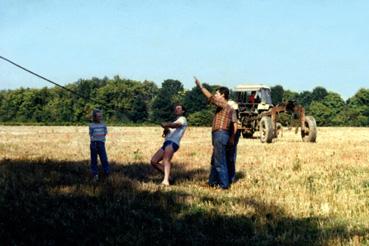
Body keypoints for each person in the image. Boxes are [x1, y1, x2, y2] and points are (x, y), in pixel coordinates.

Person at [194, 77, 237, 189]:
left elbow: (209, 97)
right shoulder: (231, 108)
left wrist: (201, 87)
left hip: (220, 134)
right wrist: (232, 138)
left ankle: (224, 185)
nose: (215, 95)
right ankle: (212, 182)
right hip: (223, 135)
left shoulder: (223, 104)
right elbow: (234, 125)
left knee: (220, 161)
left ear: (223, 95)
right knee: (215, 160)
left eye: (217, 93)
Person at [150, 105, 188, 186]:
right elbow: (170, 130)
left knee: (166, 160)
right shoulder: (174, 121)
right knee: (154, 161)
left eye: (179, 108)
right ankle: (169, 177)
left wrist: (166, 124)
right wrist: (166, 130)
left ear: (183, 111)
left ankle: (166, 181)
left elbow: (176, 125)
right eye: (176, 108)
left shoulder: (182, 119)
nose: (176, 109)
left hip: (173, 142)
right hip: (167, 142)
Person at [89, 109, 110, 181]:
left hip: (101, 143)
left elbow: (105, 132)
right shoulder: (91, 125)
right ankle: (95, 175)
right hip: (94, 144)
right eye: (98, 116)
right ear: (94, 117)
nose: (100, 118)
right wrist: (94, 141)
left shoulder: (103, 124)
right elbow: (91, 134)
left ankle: (107, 173)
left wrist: (101, 140)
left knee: (104, 159)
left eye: (100, 116)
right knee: (94, 160)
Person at [226, 100, 240, 184]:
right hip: (231, 134)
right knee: (231, 156)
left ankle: (231, 177)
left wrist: (232, 138)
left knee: (231, 156)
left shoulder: (234, 119)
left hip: (232, 135)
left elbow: (235, 127)